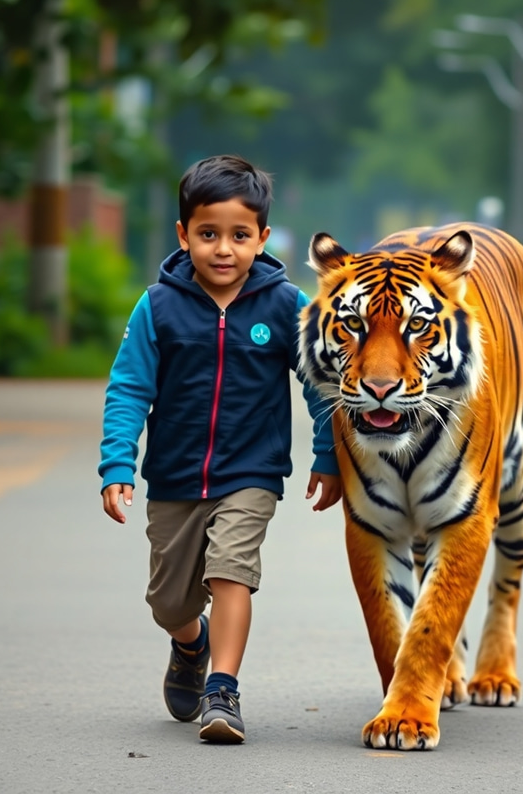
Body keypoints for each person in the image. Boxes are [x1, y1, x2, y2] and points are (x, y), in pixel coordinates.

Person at [98, 154, 341, 744]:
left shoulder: (285, 306)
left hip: (251, 473)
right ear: (184, 235)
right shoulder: (158, 306)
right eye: (208, 234)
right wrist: (117, 462)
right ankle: (191, 644)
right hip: (175, 477)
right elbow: (128, 388)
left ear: (262, 237)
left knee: (233, 571)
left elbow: (321, 383)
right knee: (169, 603)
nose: (224, 249)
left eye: (239, 235)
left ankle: (222, 690)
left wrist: (328, 455)